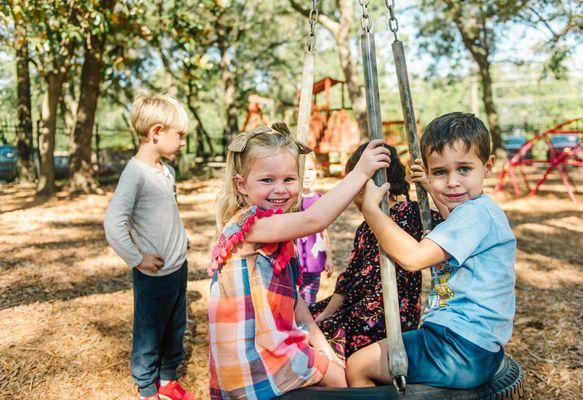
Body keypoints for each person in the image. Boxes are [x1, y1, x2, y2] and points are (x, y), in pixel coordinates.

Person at [207, 122, 390, 399]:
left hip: (274, 345)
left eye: (289, 180)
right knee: (347, 384)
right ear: (242, 185)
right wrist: (360, 173)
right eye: (267, 180)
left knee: (342, 373)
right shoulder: (250, 225)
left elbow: (294, 301)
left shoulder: (277, 227)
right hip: (253, 359)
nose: (280, 189)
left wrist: (324, 349)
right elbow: (314, 219)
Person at [346, 112, 516, 389]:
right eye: (440, 172)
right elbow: (452, 215)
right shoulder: (480, 211)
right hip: (480, 346)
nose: (452, 182)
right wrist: (428, 186)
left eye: (464, 169)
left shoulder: (475, 216)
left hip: (456, 347)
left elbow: (413, 258)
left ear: (487, 167)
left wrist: (372, 211)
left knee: (357, 366)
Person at [309, 143, 443, 361]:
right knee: (308, 318)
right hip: (357, 304)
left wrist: (430, 188)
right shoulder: (364, 228)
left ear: (366, 185)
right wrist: (326, 312)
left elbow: (449, 222)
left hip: (390, 313)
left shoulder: (412, 213)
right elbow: (348, 279)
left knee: (326, 334)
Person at [104, 91, 196, 400]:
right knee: (149, 332)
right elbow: (114, 221)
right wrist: (136, 258)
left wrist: (180, 237)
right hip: (153, 272)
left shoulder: (166, 171)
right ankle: (146, 388)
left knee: (175, 325)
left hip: (177, 265)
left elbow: (165, 213)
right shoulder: (135, 174)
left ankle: (168, 379)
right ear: (156, 132)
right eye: (179, 135)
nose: (182, 142)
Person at [297, 152, 334, 305]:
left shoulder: (319, 199)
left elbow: (324, 231)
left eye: (311, 169)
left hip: (315, 259)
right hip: (295, 259)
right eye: (302, 170)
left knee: (309, 300)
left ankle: (307, 326)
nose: (307, 174)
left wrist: (329, 257)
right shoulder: (291, 199)